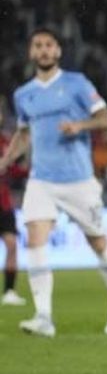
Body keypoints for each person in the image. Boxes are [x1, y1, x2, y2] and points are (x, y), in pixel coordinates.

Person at [0, 28, 107, 337]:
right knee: (35, 238)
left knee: (98, 243)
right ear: (31, 53)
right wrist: (4, 162)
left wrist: (80, 125)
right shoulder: (23, 94)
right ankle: (44, 317)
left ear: (57, 51)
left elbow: (106, 119)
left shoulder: (77, 84)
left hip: (79, 180)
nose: (43, 50)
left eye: (49, 45)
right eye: (37, 46)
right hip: (41, 179)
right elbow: (24, 135)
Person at [0, 104, 28, 306]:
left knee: (11, 245)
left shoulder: (5, 141)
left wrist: (25, 170)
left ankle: (9, 292)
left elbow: (14, 170)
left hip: (4, 203)